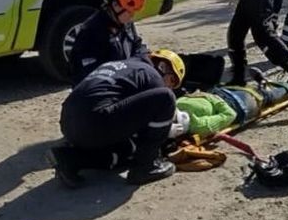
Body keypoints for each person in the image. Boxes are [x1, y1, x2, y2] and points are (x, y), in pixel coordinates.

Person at [48, 50, 186, 188]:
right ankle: (146, 167)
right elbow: (153, 117)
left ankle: (68, 158)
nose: (170, 86)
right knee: (166, 98)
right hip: (96, 121)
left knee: (128, 149)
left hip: (70, 125)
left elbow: (132, 116)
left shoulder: (126, 66)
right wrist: (165, 130)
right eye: (172, 81)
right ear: (163, 66)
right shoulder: (152, 75)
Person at [65, 0, 150, 84]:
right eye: (130, 11)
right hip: (100, 90)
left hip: (124, 81)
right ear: (116, 5)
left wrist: (144, 60)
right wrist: (127, 70)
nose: (132, 16)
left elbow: (137, 46)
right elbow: (89, 73)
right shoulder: (91, 31)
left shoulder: (125, 24)